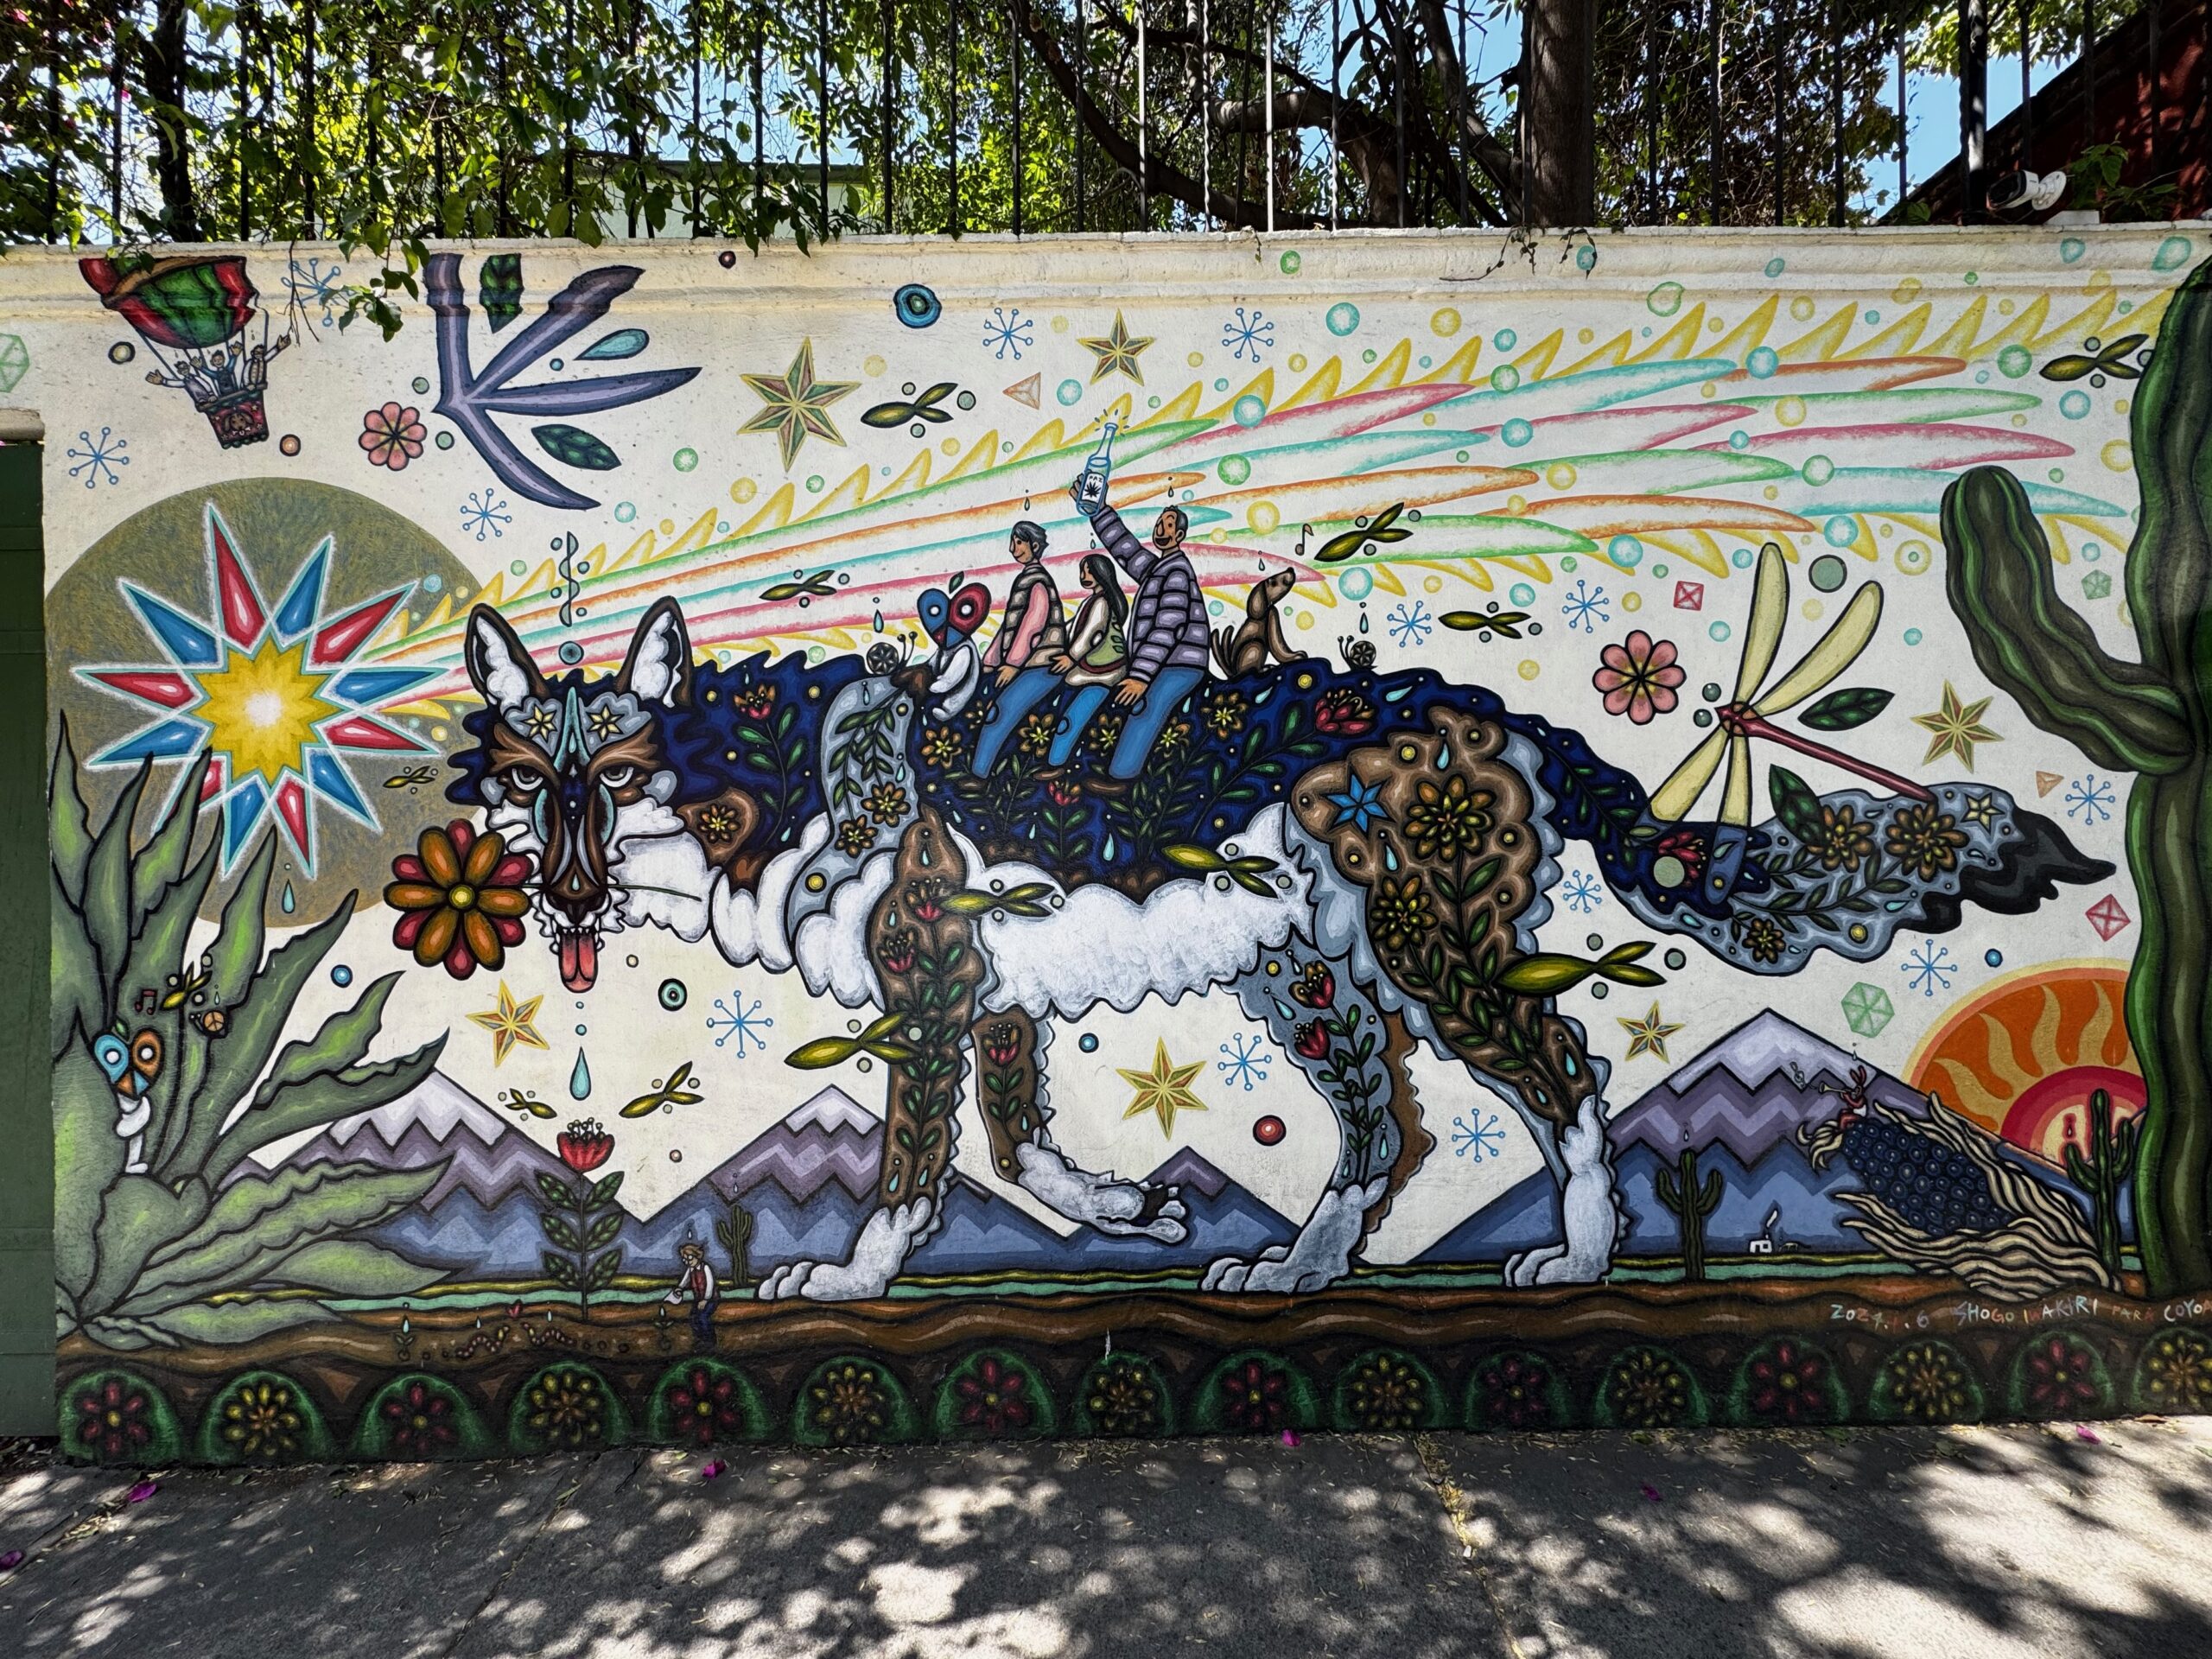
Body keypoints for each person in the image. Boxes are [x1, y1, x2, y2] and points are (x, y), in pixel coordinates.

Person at [1070, 497, 1211, 781]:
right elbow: (1126, 549)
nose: (1160, 528)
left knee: (1147, 706)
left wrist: (1141, 677)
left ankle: (1121, 776)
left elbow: (1167, 627)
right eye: (1159, 522)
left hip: (1181, 663)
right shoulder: (1157, 569)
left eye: (1168, 525)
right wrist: (1098, 510)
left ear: (1179, 535)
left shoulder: (1176, 572)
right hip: (1165, 661)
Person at [970, 522, 1072, 774]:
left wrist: (1012, 665)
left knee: (1001, 711)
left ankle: (980, 774)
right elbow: (1009, 625)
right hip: (1027, 663)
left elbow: (1032, 627)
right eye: (1012, 542)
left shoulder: (1038, 581)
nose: (1012, 548)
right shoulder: (1025, 578)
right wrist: (990, 661)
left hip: (1042, 664)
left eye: (1018, 542)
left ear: (1034, 546)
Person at [664, 1238, 720, 1351]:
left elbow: (710, 1285)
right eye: (685, 1259)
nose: (687, 1261)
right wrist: (680, 1288)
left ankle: (709, 1341)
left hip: (710, 1299)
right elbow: (685, 1280)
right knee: (693, 1317)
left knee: (703, 1317)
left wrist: (705, 1299)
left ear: (697, 1256)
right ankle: (700, 1338)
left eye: (689, 1258)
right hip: (698, 1299)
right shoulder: (690, 1269)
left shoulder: (705, 1268)